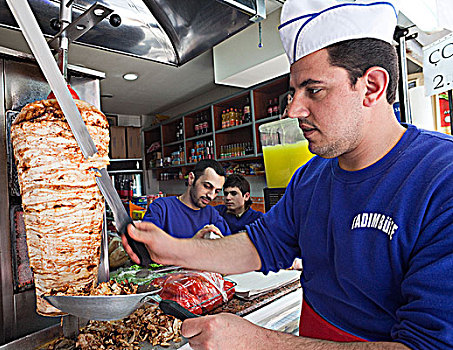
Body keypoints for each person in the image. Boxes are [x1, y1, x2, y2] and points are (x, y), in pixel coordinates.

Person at [123, 0, 453, 348]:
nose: (294, 109)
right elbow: (260, 245)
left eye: (314, 90)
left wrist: (259, 343)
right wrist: (170, 250)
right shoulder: (311, 176)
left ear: (371, 86)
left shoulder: (440, 179)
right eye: (294, 92)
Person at [142, 159, 231, 239]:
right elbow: (148, 245)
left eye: (217, 191)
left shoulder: (212, 214)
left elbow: (230, 245)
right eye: (207, 186)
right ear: (191, 178)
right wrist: (193, 243)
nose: (211, 196)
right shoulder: (161, 208)